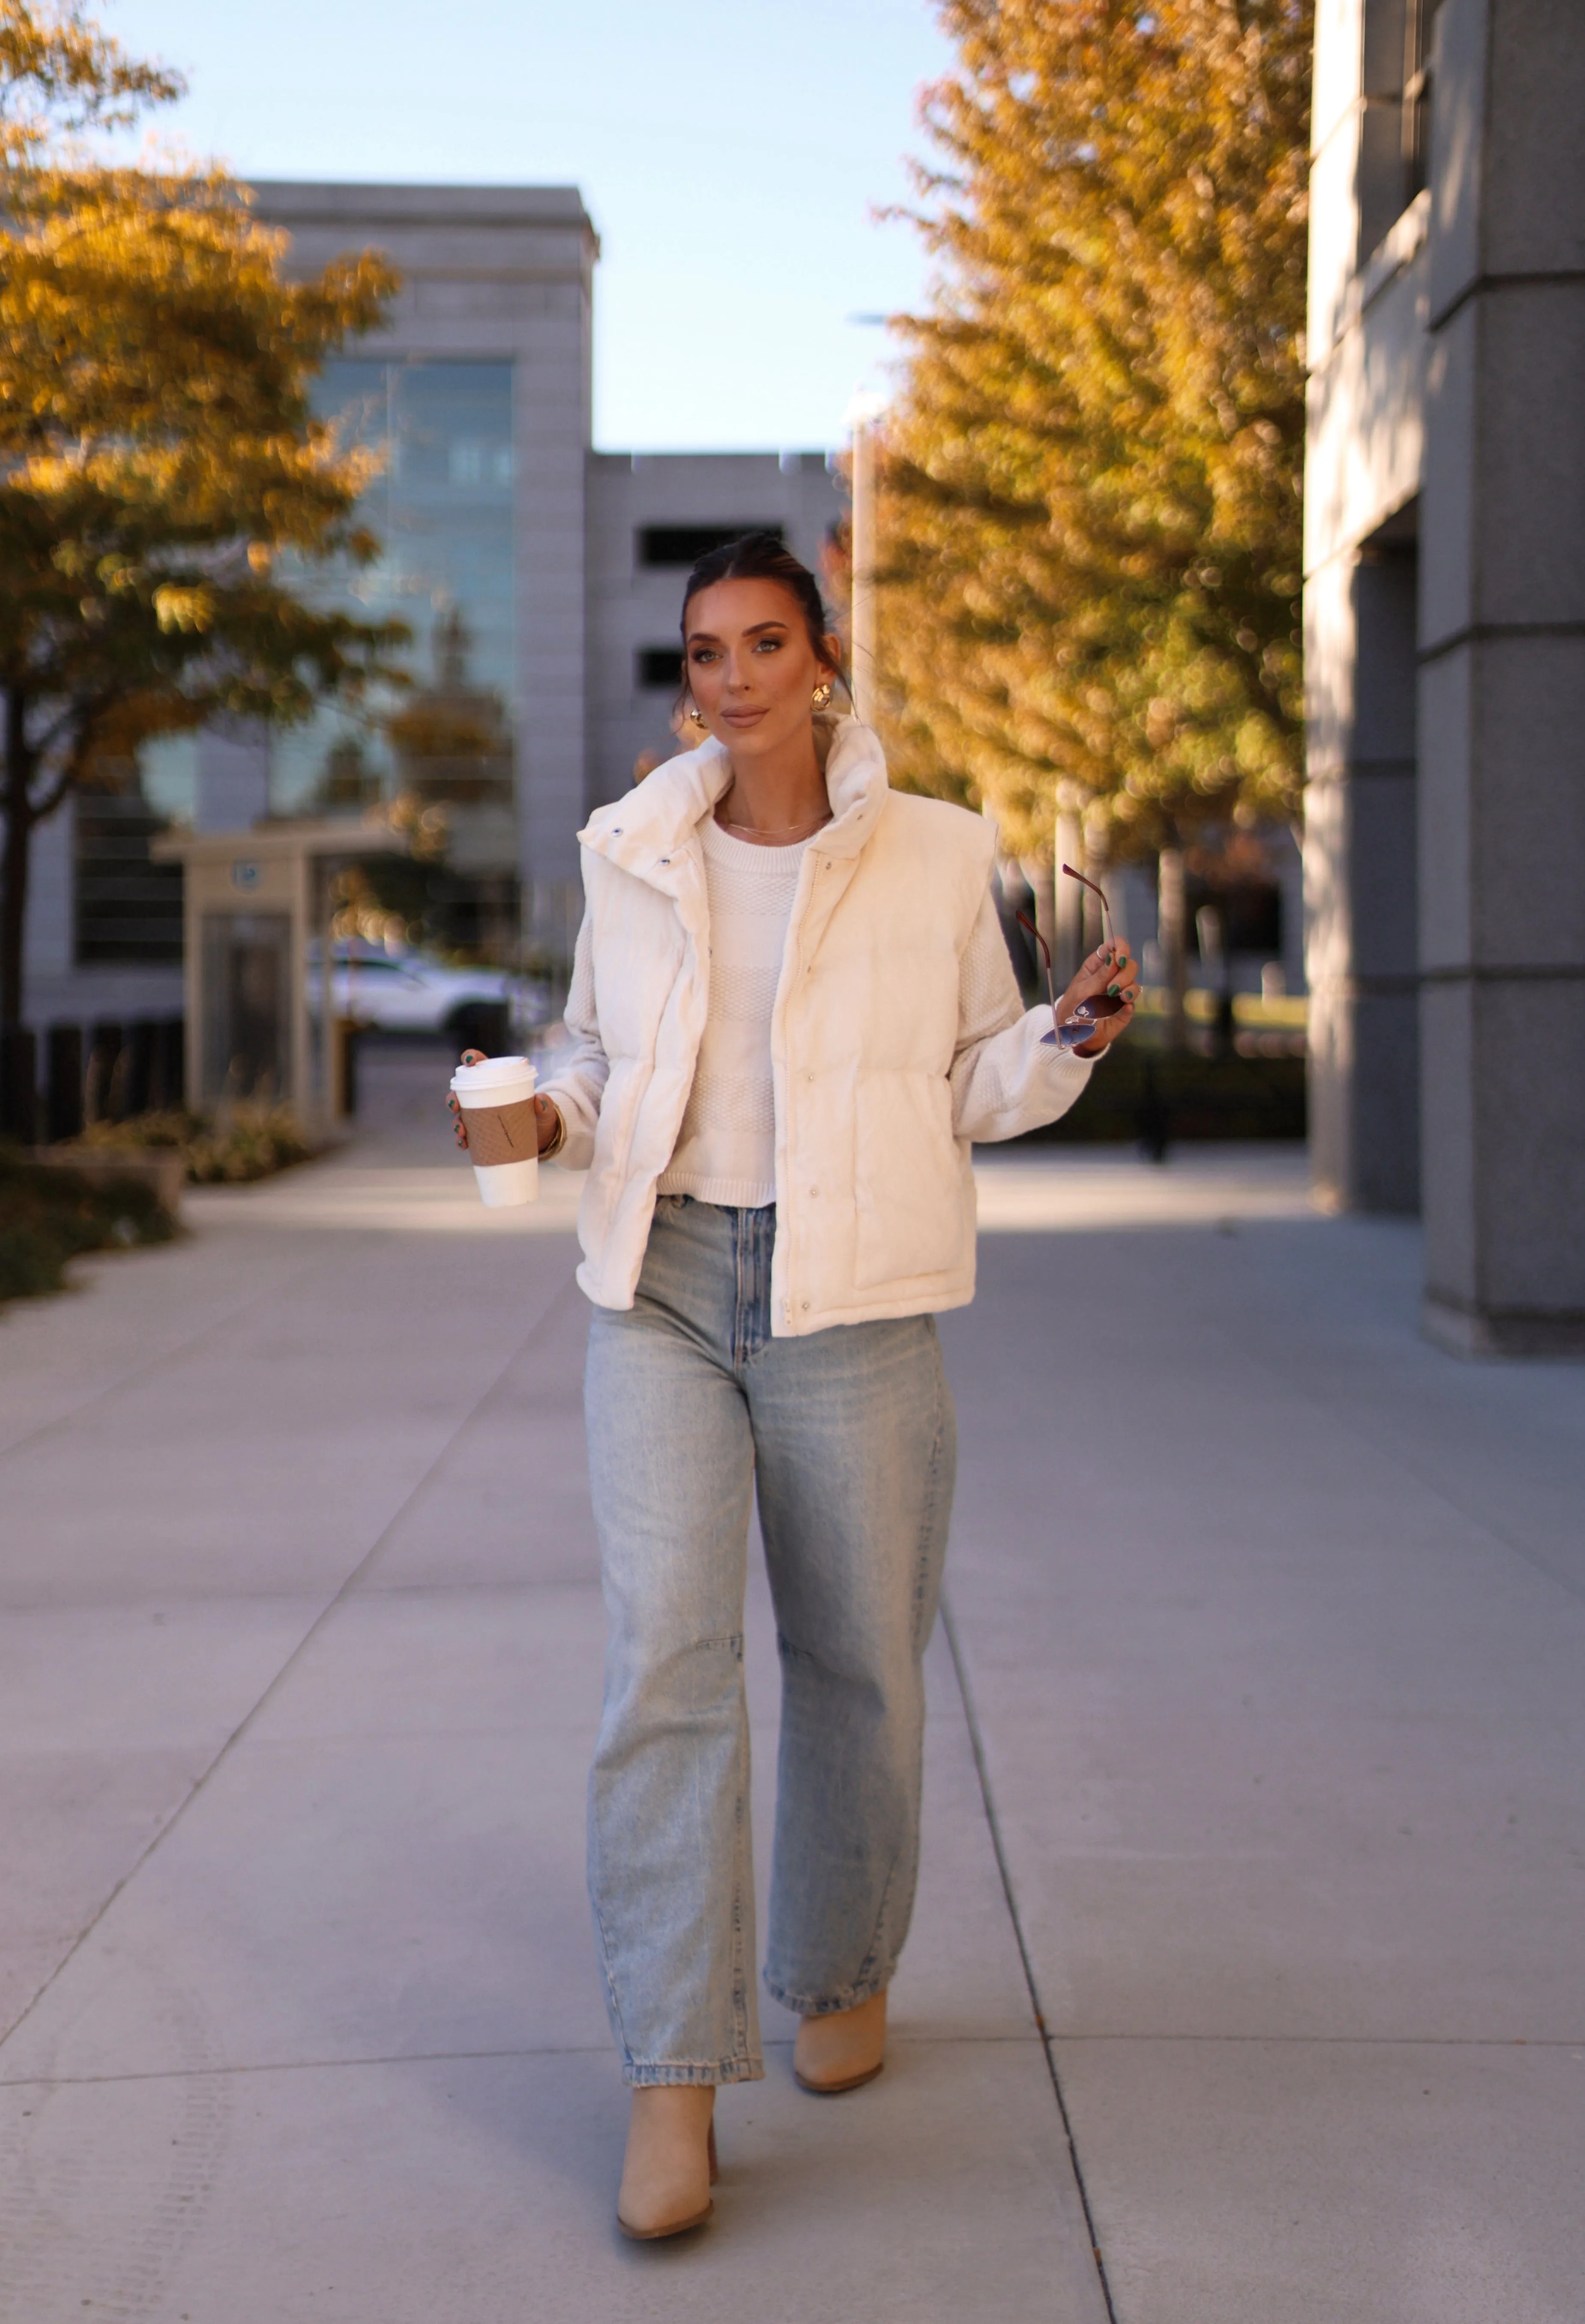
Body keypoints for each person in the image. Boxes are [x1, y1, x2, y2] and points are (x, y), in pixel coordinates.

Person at [449, 533, 1138, 2239]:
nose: (734, 672)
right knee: (664, 1669)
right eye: (705, 648)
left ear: (821, 659)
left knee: (855, 1662)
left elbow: (971, 1076)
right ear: (686, 674)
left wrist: (1068, 1035)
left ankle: (836, 1964)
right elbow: (603, 1056)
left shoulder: (936, 855)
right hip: (666, 1282)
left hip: (855, 1290)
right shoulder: (632, 849)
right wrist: (537, 1114)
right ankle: (670, 2078)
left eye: (765, 640)